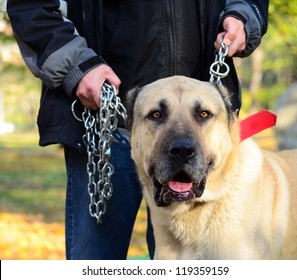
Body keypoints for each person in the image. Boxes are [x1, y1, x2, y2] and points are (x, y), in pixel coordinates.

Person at [6, 0, 269, 260]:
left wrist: (243, 14)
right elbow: (31, 7)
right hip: (105, 124)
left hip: (203, 134)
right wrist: (77, 65)